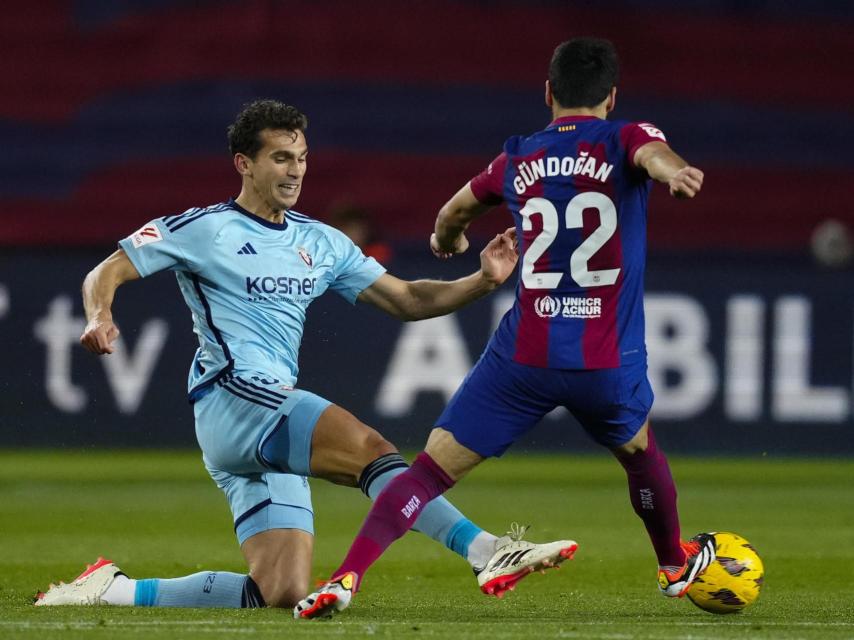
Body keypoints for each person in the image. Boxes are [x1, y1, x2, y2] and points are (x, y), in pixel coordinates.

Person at [33, 100, 573, 609]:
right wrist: (99, 315)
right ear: (244, 163)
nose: (295, 171)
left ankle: (111, 590)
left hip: (266, 415)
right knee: (373, 449)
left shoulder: (321, 241)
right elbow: (107, 270)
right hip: (234, 398)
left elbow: (407, 298)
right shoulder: (205, 228)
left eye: (302, 158)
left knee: (280, 589)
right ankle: (487, 551)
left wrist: (482, 280)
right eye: (280, 158)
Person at [295, 37, 716, 620]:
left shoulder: (516, 159)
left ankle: (346, 577)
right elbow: (654, 156)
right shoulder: (626, 137)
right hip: (603, 360)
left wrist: (449, 243)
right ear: (612, 97)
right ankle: (673, 564)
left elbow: (453, 213)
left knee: (427, 471)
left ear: (547, 93)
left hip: (524, 358)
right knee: (641, 452)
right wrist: (677, 173)